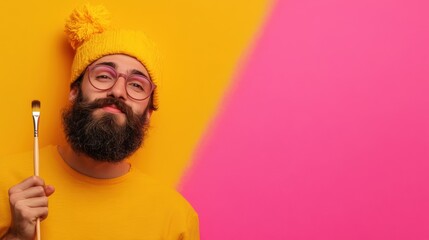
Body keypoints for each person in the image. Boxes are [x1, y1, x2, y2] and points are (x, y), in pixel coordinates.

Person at [0, 4, 199, 240]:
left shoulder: (175, 218)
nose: (117, 91)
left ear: (148, 113)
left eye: (136, 85)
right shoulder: (6, 181)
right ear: (74, 90)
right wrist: (17, 236)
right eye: (104, 76)